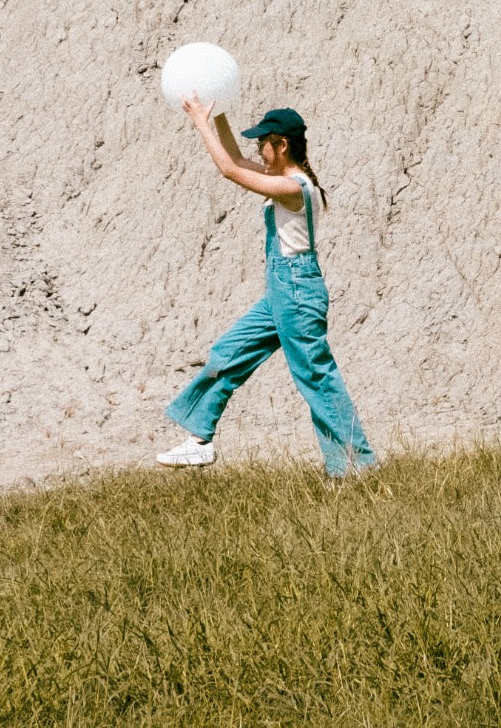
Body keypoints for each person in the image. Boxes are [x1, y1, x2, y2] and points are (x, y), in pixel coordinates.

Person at [158, 99, 378, 476]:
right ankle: (199, 440)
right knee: (227, 354)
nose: (257, 150)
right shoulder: (286, 182)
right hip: (282, 291)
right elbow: (236, 160)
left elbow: (228, 169)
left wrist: (200, 123)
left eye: (263, 142)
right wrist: (220, 112)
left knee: (316, 376)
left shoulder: (296, 187)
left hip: (297, 292)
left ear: (282, 146)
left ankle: (358, 466)